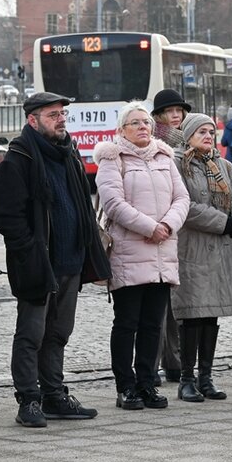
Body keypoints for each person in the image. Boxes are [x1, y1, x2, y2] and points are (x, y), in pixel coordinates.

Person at [0, 92, 108, 427]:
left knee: (59, 332)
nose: (60, 120)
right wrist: (28, 245)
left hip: (70, 259)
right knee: (31, 334)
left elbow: (82, 203)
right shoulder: (20, 156)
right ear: (33, 120)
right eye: (53, 114)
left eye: (62, 114)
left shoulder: (68, 152)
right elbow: (2, 212)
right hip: (37, 262)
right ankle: (29, 400)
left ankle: (54, 395)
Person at [94, 102, 190, 410]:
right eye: (134, 123)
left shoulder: (164, 155)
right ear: (121, 130)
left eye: (146, 122)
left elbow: (181, 197)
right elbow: (113, 203)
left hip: (162, 253)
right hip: (129, 252)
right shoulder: (113, 158)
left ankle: (148, 382)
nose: (142, 127)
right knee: (127, 323)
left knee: (153, 324)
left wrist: (167, 224)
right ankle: (126, 387)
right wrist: (150, 227)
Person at [173, 112, 232, 402]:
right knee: (192, 314)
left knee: (211, 314)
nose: (208, 136)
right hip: (193, 247)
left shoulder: (224, 165)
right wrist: (222, 222)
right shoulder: (177, 163)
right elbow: (186, 205)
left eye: (210, 131)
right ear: (188, 135)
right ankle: (186, 379)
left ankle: (206, 377)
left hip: (221, 252)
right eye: (201, 132)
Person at [149, 89, 189, 384]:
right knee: (160, 306)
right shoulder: (159, 145)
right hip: (161, 232)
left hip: (181, 231)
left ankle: (176, 362)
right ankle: (161, 362)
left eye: (180, 111)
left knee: (178, 305)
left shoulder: (184, 143)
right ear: (159, 116)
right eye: (171, 111)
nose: (177, 116)